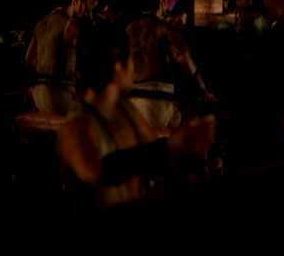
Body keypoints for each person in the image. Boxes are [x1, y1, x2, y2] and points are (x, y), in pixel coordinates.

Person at [58, 22, 216, 210]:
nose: (136, 66)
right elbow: (96, 172)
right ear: (119, 67)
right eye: (132, 59)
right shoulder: (78, 124)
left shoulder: (125, 109)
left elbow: (151, 150)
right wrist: (169, 145)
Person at [126, 0, 217, 129]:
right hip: (160, 100)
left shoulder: (129, 29)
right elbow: (187, 62)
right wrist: (204, 91)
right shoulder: (166, 31)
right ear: (162, 1)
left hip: (131, 101)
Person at [24, 0, 98, 116]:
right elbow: (82, 62)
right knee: (97, 112)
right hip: (59, 95)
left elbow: (29, 60)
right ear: (74, 0)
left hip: (39, 95)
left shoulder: (40, 24)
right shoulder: (70, 24)